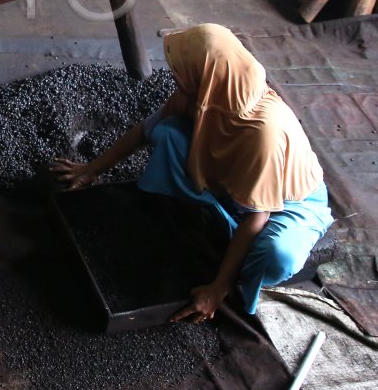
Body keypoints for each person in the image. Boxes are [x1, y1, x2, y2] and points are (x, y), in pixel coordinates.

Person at [51, 23, 333, 322]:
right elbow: (146, 131)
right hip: (233, 185)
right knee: (168, 132)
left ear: (207, 75)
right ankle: (216, 222)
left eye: (181, 73)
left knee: (277, 256)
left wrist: (218, 287)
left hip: (286, 203)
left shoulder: (263, 131)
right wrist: (91, 170)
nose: (175, 78)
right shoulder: (205, 95)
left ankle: (228, 247)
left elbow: (257, 216)